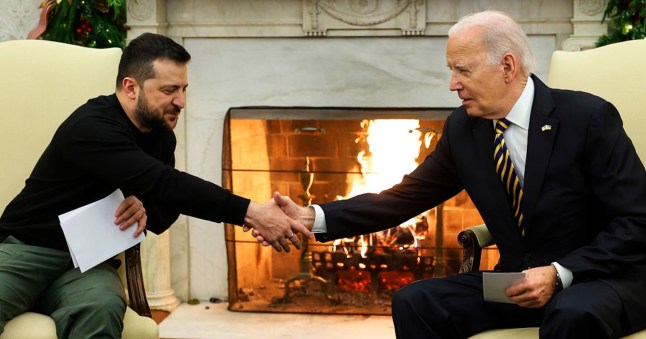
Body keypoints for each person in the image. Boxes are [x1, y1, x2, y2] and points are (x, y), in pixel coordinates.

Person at [247, 10, 646, 339]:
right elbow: (404, 198)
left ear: (507, 66)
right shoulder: (465, 129)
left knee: (570, 315)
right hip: (520, 284)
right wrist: (312, 217)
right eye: (451, 70)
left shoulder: (587, 118)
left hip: (599, 278)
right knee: (415, 301)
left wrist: (560, 273)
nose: (452, 84)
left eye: (462, 70)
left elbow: (637, 221)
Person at [0, 32, 311, 338]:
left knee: (102, 305)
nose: (181, 102)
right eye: (169, 90)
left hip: (86, 264)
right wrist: (252, 212)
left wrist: (144, 206)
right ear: (131, 87)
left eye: (184, 89)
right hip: (28, 249)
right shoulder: (91, 126)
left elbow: (164, 212)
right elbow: (163, 182)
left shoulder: (160, 136)